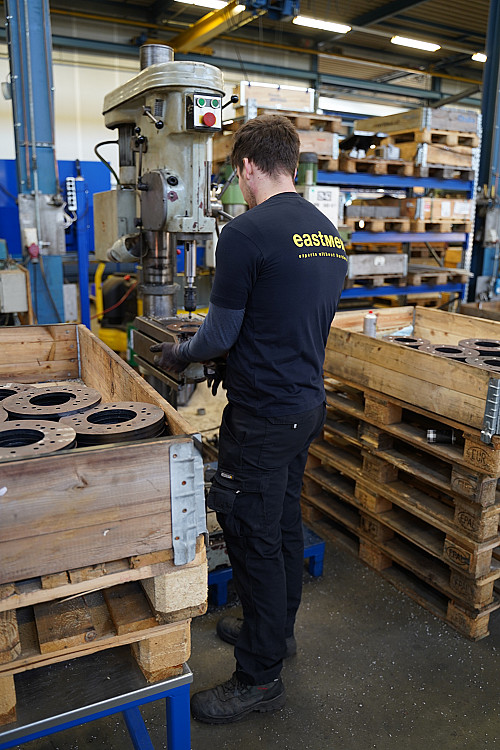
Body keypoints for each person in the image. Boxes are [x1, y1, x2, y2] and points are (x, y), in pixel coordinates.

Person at [151, 114, 348, 724]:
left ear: (245, 167)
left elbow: (218, 334)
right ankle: (276, 633)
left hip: (262, 416)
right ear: (292, 162)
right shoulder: (328, 232)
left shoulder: (245, 232)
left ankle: (259, 678)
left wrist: (180, 352)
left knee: (251, 535)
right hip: (304, 405)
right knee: (282, 523)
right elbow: (288, 318)